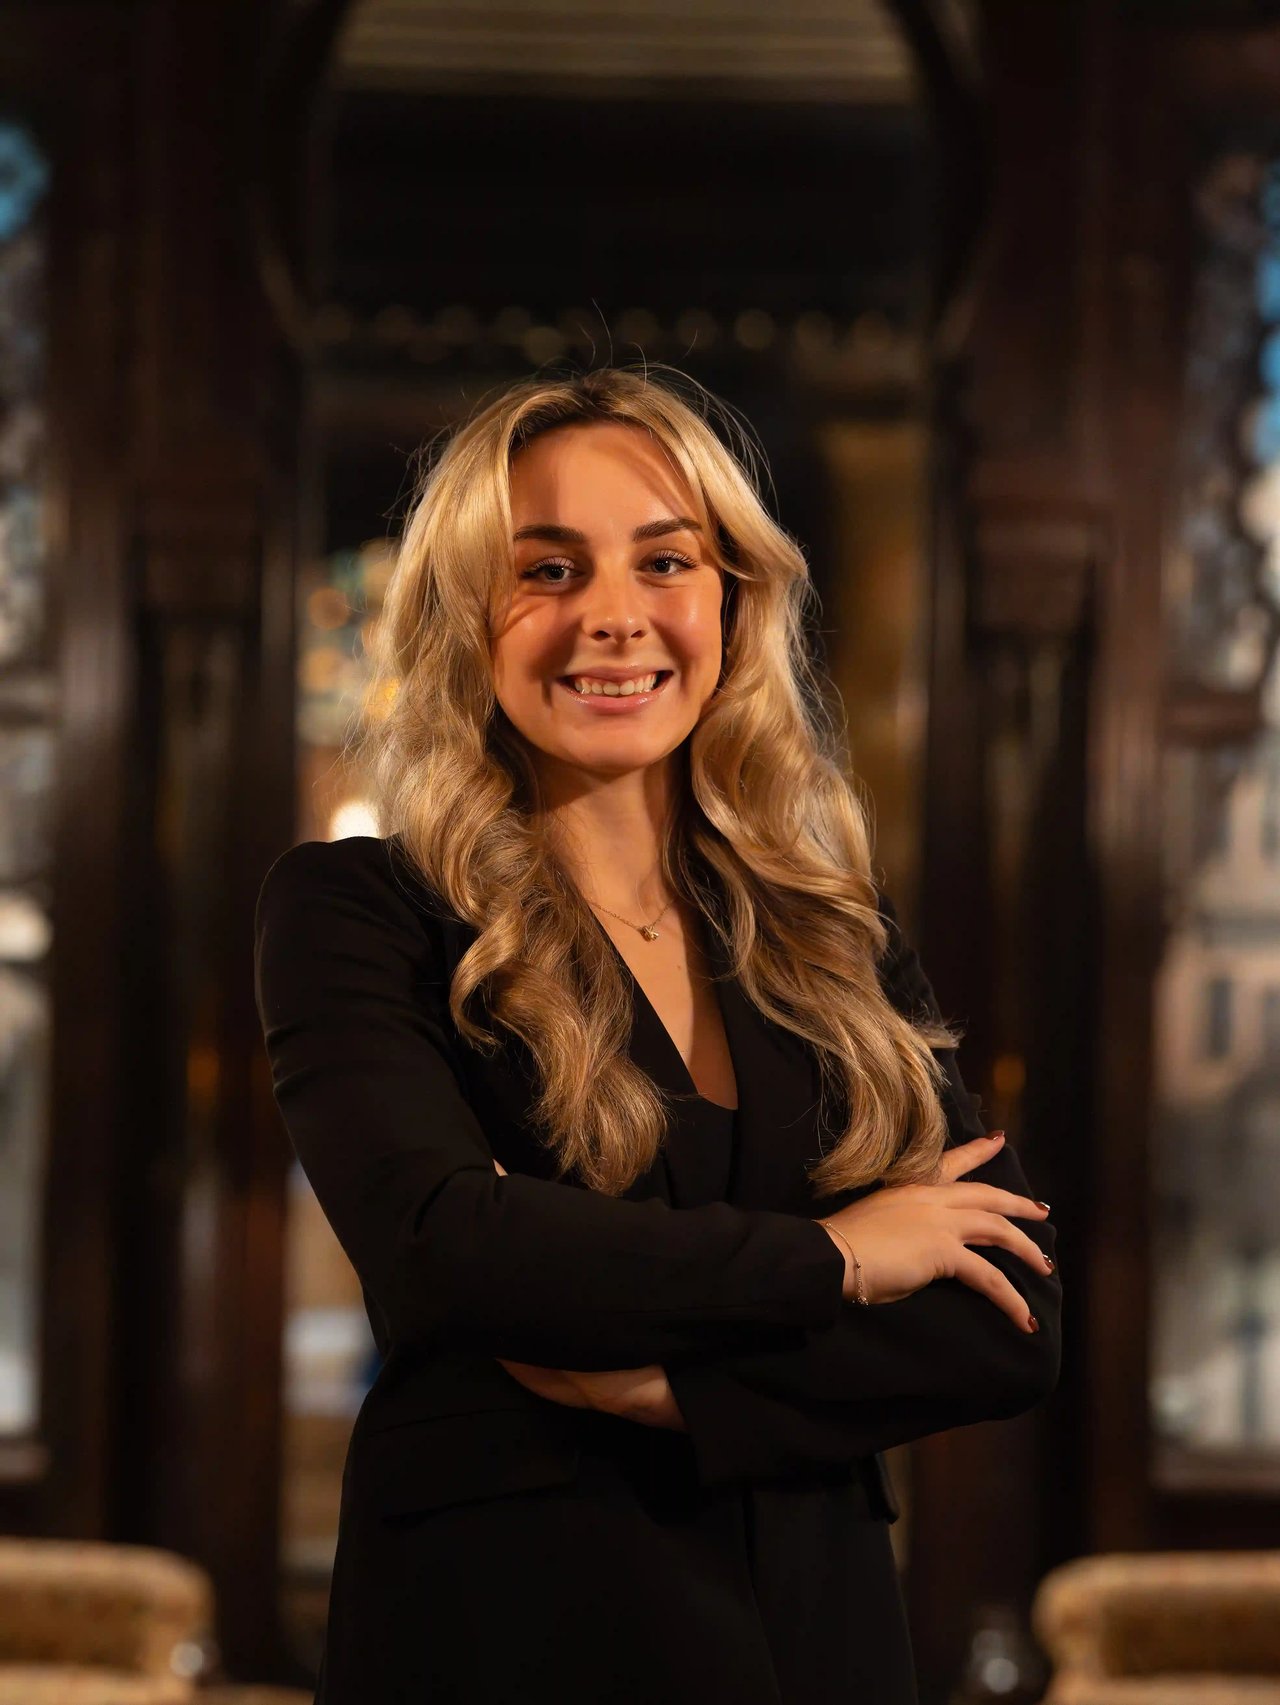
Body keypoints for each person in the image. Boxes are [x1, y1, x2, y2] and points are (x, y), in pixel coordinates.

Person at [253, 365, 1061, 1705]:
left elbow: (1005, 1324)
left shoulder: (836, 926)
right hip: (504, 1637)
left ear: (734, 601)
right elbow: (451, 1254)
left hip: (818, 1642)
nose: (614, 617)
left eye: (665, 560)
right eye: (548, 569)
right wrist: (840, 1258)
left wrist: (667, 1383)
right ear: (465, 617)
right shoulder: (357, 910)